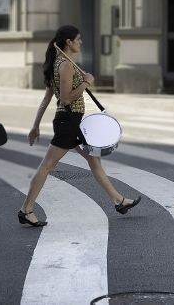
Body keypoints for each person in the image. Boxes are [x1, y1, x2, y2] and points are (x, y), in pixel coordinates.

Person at [19, 25, 141, 226]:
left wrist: (36, 126)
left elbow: (46, 99)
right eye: (78, 39)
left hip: (72, 122)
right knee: (47, 166)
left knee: (94, 161)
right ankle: (26, 209)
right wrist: (86, 82)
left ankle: (118, 201)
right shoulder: (65, 65)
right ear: (68, 42)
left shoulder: (60, 62)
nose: (81, 42)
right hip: (68, 121)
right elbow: (66, 99)